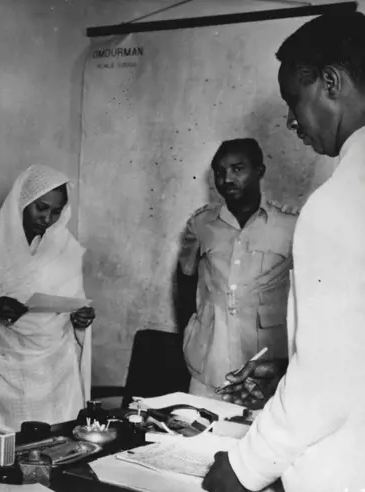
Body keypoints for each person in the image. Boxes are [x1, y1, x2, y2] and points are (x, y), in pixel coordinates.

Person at [203, 12, 365, 492]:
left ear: (331, 83)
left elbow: (325, 388)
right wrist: (294, 361)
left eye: (294, 99)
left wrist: (243, 469)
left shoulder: (338, 202)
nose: (292, 119)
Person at [0, 164, 96, 437]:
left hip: (54, 366)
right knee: (5, 444)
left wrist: (82, 318)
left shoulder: (65, 248)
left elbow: (75, 303)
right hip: (2, 364)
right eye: (41, 208)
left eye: (56, 211)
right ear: (22, 200)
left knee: (55, 440)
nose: (48, 218)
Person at [178, 138, 298, 400]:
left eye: (237, 169)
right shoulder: (201, 224)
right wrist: (191, 329)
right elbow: (185, 278)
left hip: (265, 369)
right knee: (198, 435)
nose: (227, 179)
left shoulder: (290, 227)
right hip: (209, 362)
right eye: (220, 172)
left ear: (259, 171)